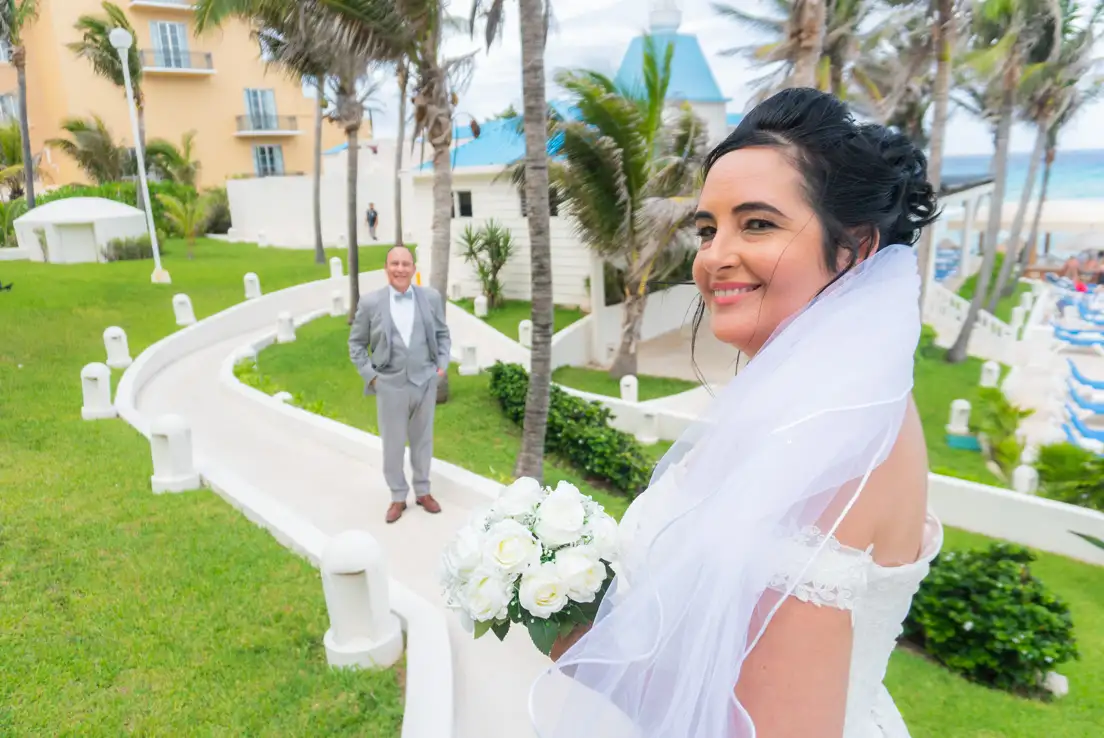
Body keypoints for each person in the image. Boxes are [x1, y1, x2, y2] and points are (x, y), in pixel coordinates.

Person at [531, 88, 942, 738]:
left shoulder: (840, 434)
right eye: (707, 229)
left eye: (757, 224)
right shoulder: (815, 400)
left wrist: (577, 645)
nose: (715, 256)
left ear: (855, 248)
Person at [348, 245, 450, 523]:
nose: (400, 269)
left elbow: (442, 334)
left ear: (413, 268)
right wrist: (372, 377)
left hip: (424, 381)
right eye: (395, 263)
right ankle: (397, 496)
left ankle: (423, 491)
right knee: (392, 445)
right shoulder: (370, 303)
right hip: (389, 384)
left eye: (406, 264)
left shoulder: (431, 298)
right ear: (386, 268)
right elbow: (356, 344)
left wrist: (441, 365)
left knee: (423, 441)